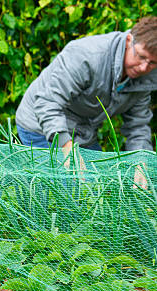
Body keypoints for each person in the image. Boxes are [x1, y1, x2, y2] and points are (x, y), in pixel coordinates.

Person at [16, 16, 157, 188]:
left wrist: (140, 161)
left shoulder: (147, 76)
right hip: (39, 124)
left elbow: (138, 126)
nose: (144, 67)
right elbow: (47, 103)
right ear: (129, 41)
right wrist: (67, 147)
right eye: (141, 56)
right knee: (69, 191)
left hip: (81, 131)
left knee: (97, 188)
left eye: (152, 63)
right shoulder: (88, 56)